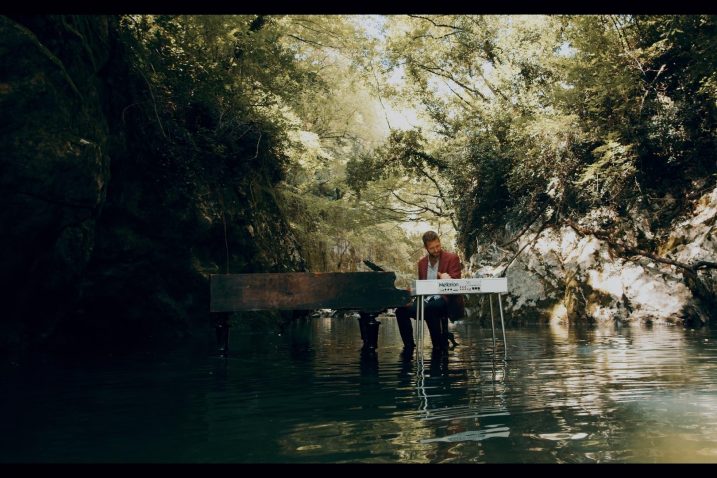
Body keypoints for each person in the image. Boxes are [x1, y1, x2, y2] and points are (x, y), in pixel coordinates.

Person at [395, 230, 465, 353]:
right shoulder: (422, 263)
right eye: (432, 248)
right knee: (401, 311)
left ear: (439, 242)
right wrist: (410, 294)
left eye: (437, 246)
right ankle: (409, 347)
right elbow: (422, 287)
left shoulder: (452, 258)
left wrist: (447, 278)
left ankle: (438, 346)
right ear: (426, 248)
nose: (436, 250)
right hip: (426, 300)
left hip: (446, 299)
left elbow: (457, 283)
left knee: (430, 308)